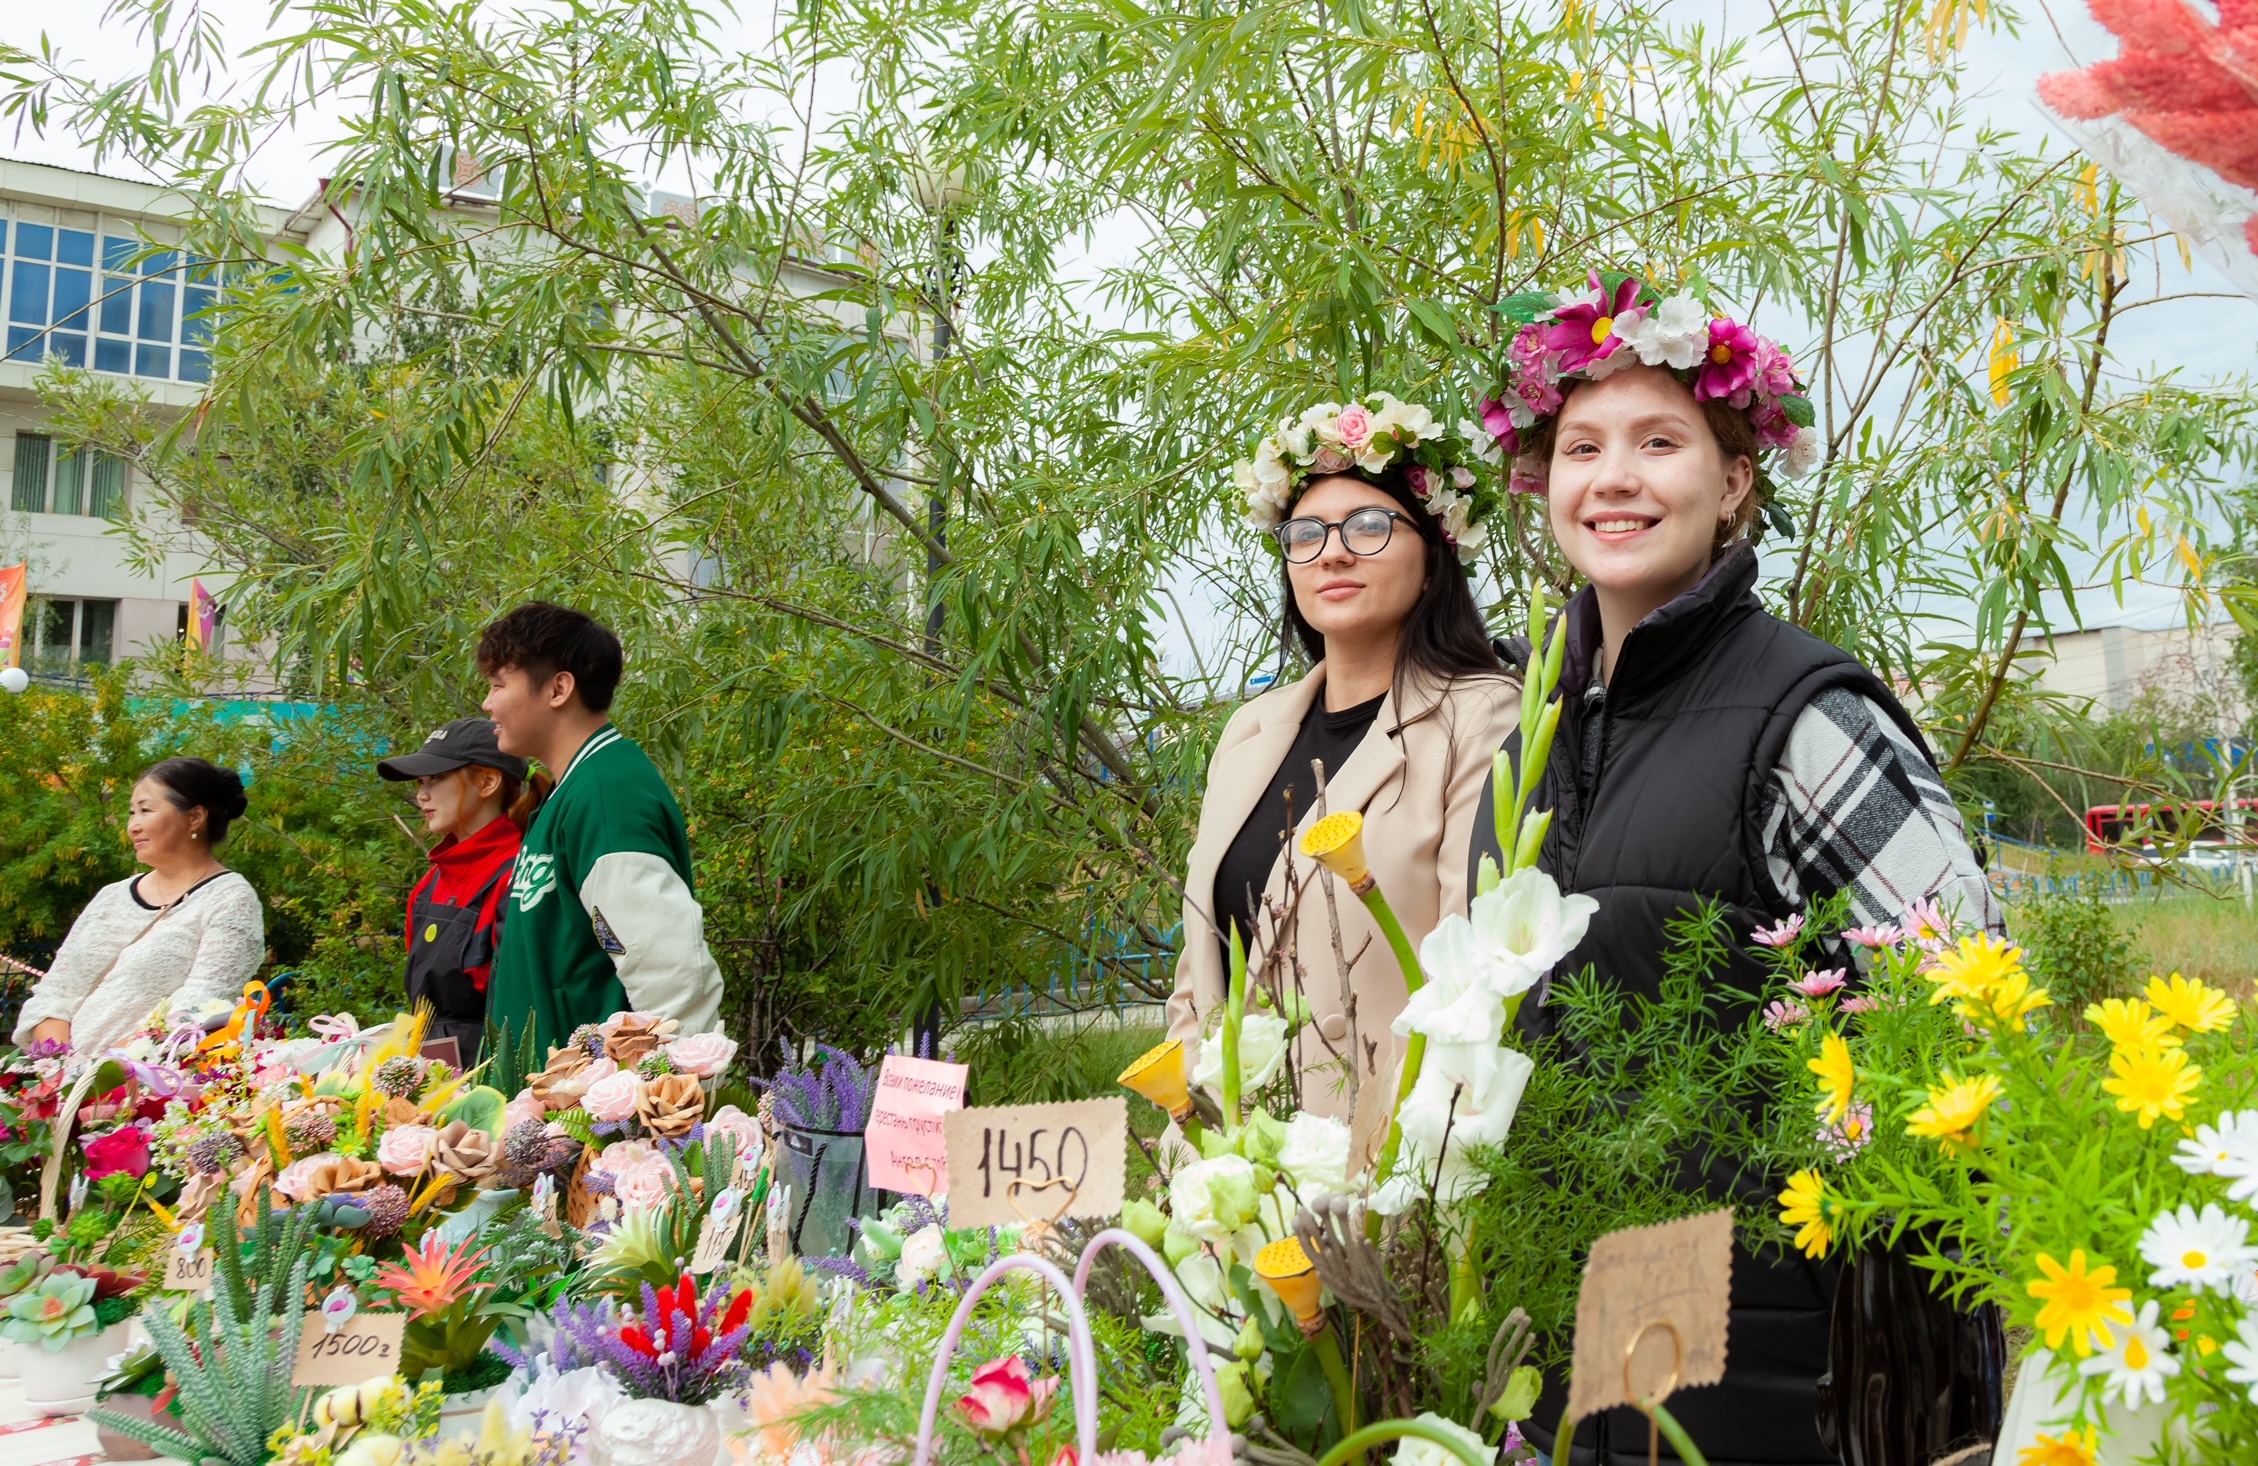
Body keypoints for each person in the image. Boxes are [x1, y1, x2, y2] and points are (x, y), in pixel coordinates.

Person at [1468, 273, 2000, 1466]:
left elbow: (1966, 1012)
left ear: (1734, 480)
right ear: (1540, 483)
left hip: (1771, 1374)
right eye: (1580, 447)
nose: (1612, 478)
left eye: (1659, 442)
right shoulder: (1534, 740)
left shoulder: (1801, 720)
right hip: (1568, 1356)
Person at [1166, 396, 1517, 1120]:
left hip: (1382, 1165)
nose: (1332, 551)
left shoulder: (1479, 716)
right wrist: (1192, 1144)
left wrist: (1411, 1169)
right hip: (1237, 1172)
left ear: (1435, 555)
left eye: (1369, 527)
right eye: (1306, 534)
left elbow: (1479, 978)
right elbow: (1199, 973)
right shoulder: (1251, 731)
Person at [478, 602, 724, 1053]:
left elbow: (673, 976)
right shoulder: (571, 788)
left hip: (583, 1116)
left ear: (558, 688)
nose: (487, 703)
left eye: (497, 684)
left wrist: (658, 1105)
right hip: (545, 1107)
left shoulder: (608, 794)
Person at [13, 757, 264, 1060]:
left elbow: (195, 1011)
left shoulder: (230, 898)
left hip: (148, 1091)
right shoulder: (111, 897)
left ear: (195, 816)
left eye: (146, 810)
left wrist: (99, 1075)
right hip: (61, 1088)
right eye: (132, 812)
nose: (133, 826)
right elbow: (55, 993)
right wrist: (60, 1069)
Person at [377, 717, 546, 1065]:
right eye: (420, 782)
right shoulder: (430, 884)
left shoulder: (517, 877)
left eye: (436, 778)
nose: (422, 794)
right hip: (429, 1078)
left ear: (487, 782)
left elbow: (523, 1010)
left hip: (496, 1080)